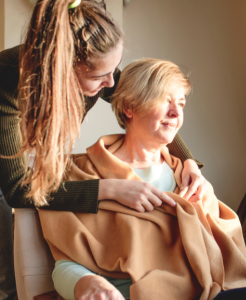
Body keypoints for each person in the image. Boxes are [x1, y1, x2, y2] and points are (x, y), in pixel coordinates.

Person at [0, 1, 207, 300]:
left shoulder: (99, 65)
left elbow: (141, 100)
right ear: (62, 70)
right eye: (100, 78)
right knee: (8, 279)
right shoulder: (7, 83)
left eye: (113, 71)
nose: (111, 84)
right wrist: (107, 189)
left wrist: (187, 160)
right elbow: (18, 189)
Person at [38, 58, 246, 300]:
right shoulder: (83, 174)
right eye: (165, 100)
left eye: (181, 104)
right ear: (129, 107)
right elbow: (65, 262)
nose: (176, 112)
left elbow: (223, 253)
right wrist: (86, 283)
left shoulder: (188, 178)